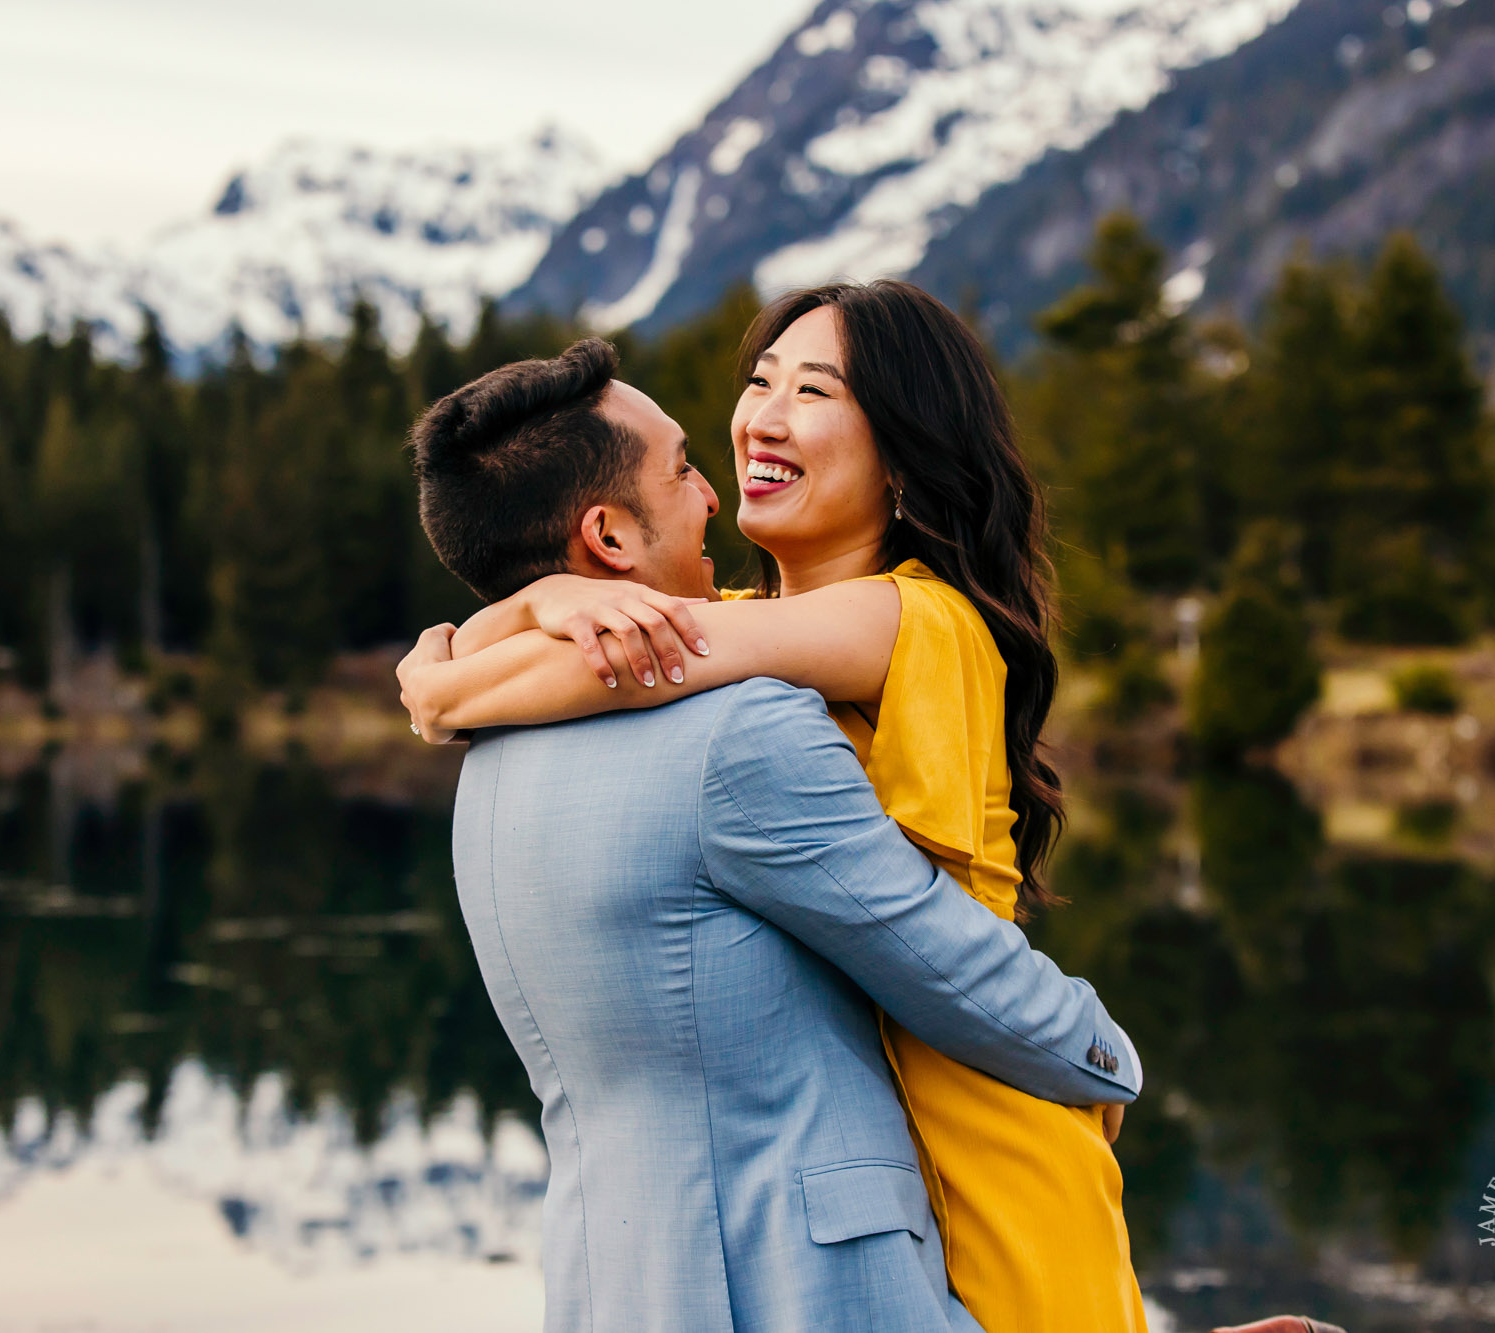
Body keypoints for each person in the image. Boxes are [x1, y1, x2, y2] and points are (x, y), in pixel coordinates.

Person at [400, 282, 1150, 1330]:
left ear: (901, 453)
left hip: (979, 1115)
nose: (759, 417)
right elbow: (592, 665)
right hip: (864, 1147)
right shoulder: (738, 635)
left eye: (813, 389)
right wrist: (543, 607)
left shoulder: (908, 620)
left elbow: (564, 671)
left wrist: (482, 649)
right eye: (758, 382)